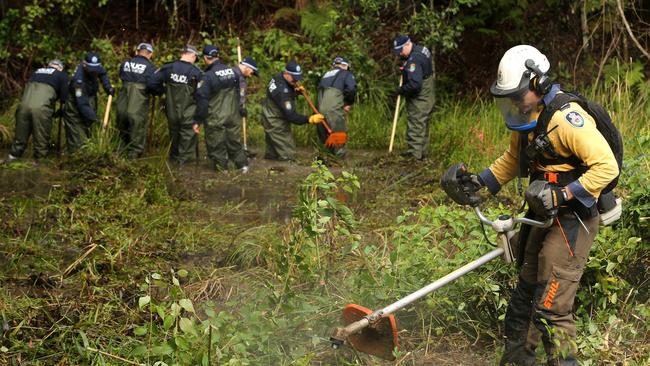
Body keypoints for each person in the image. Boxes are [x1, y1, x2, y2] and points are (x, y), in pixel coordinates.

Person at [460, 45, 618, 365]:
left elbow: (606, 166)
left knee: (551, 304)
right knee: (526, 290)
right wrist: (480, 182)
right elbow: (513, 161)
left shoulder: (567, 120)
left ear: (538, 83)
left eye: (518, 94)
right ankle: (519, 358)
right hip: (542, 212)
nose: (515, 102)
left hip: (573, 217)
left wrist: (563, 195)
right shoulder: (527, 120)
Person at [192, 46, 256, 173]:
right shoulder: (233, 72)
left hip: (216, 117)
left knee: (216, 146)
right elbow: (239, 94)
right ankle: (243, 167)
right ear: (217, 56)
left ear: (205, 58)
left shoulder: (208, 77)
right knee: (235, 143)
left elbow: (202, 101)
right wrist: (240, 109)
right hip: (233, 116)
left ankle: (222, 172)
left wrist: (197, 121)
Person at [147, 45, 202, 165]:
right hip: (189, 114)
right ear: (192, 55)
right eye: (195, 58)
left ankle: (173, 165)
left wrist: (162, 92)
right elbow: (202, 95)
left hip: (171, 112)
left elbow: (151, 83)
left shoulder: (168, 68)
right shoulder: (196, 73)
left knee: (174, 138)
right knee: (187, 144)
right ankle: (184, 170)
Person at [261, 60, 325, 161]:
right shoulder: (282, 93)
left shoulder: (279, 77)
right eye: (293, 78)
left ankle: (270, 170)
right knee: (289, 157)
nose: (296, 81)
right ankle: (285, 173)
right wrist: (309, 119)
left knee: (272, 154)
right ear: (286, 73)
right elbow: (291, 116)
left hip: (269, 115)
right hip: (276, 122)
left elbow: (283, 91)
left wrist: (294, 92)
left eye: (297, 78)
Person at [7, 60, 69, 161]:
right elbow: (64, 97)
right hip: (41, 109)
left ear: (48, 66)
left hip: (23, 106)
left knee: (20, 138)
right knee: (41, 141)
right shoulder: (62, 75)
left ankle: (11, 158)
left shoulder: (36, 72)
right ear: (60, 68)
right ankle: (40, 166)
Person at [392, 35, 435, 160]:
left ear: (407, 45)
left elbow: (414, 85)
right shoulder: (421, 50)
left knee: (416, 124)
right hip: (429, 96)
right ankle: (423, 153)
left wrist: (401, 90)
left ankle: (414, 156)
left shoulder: (413, 60)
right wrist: (406, 70)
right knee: (423, 125)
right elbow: (419, 69)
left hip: (420, 98)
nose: (399, 54)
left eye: (400, 50)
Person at [63, 52, 115, 153]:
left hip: (89, 100)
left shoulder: (96, 68)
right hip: (75, 110)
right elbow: (82, 105)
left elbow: (103, 73)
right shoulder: (78, 82)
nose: (94, 72)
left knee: (88, 137)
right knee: (78, 144)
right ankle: (74, 158)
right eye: (92, 70)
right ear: (84, 64)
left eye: (96, 69)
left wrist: (107, 87)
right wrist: (96, 120)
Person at [115, 42, 156, 159]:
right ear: (150, 54)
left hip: (123, 100)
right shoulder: (151, 68)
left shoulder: (125, 64)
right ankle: (134, 155)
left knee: (121, 123)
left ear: (136, 51)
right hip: (138, 102)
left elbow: (121, 76)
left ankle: (119, 153)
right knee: (138, 125)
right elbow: (153, 85)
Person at [317, 56, 356, 157]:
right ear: (344, 65)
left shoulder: (325, 75)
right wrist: (347, 103)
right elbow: (351, 89)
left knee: (325, 142)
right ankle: (339, 164)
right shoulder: (346, 73)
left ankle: (324, 162)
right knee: (339, 137)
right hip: (333, 110)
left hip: (319, 111)